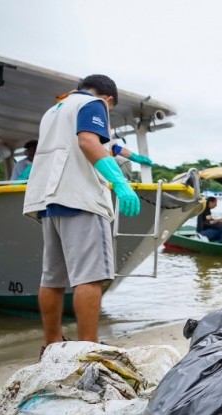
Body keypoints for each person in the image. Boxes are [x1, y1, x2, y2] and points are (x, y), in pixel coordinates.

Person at [23, 74, 141, 353]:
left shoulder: (54, 110)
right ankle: (88, 348)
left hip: (49, 201)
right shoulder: (94, 104)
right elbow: (88, 141)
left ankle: (51, 345)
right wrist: (120, 183)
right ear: (108, 98)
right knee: (90, 277)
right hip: (81, 198)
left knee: (51, 279)